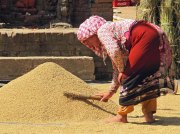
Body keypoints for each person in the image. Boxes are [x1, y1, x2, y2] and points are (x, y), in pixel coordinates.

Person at [77, 15, 175, 123]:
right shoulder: (113, 32)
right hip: (155, 33)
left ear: (93, 33)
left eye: (88, 40)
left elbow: (115, 54)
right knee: (147, 75)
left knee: (128, 76)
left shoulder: (102, 31)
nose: (89, 44)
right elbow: (117, 66)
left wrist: (123, 71)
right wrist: (111, 92)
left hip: (145, 37)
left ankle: (121, 116)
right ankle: (149, 116)